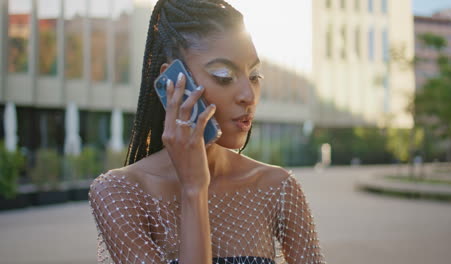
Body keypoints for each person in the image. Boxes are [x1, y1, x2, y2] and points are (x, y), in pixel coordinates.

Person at [88, 0, 326, 263]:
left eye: (255, 76)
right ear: (175, 82)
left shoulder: (278, 188)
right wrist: (193, 188)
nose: (249, 96)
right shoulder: (120, 193)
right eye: (224, 76)